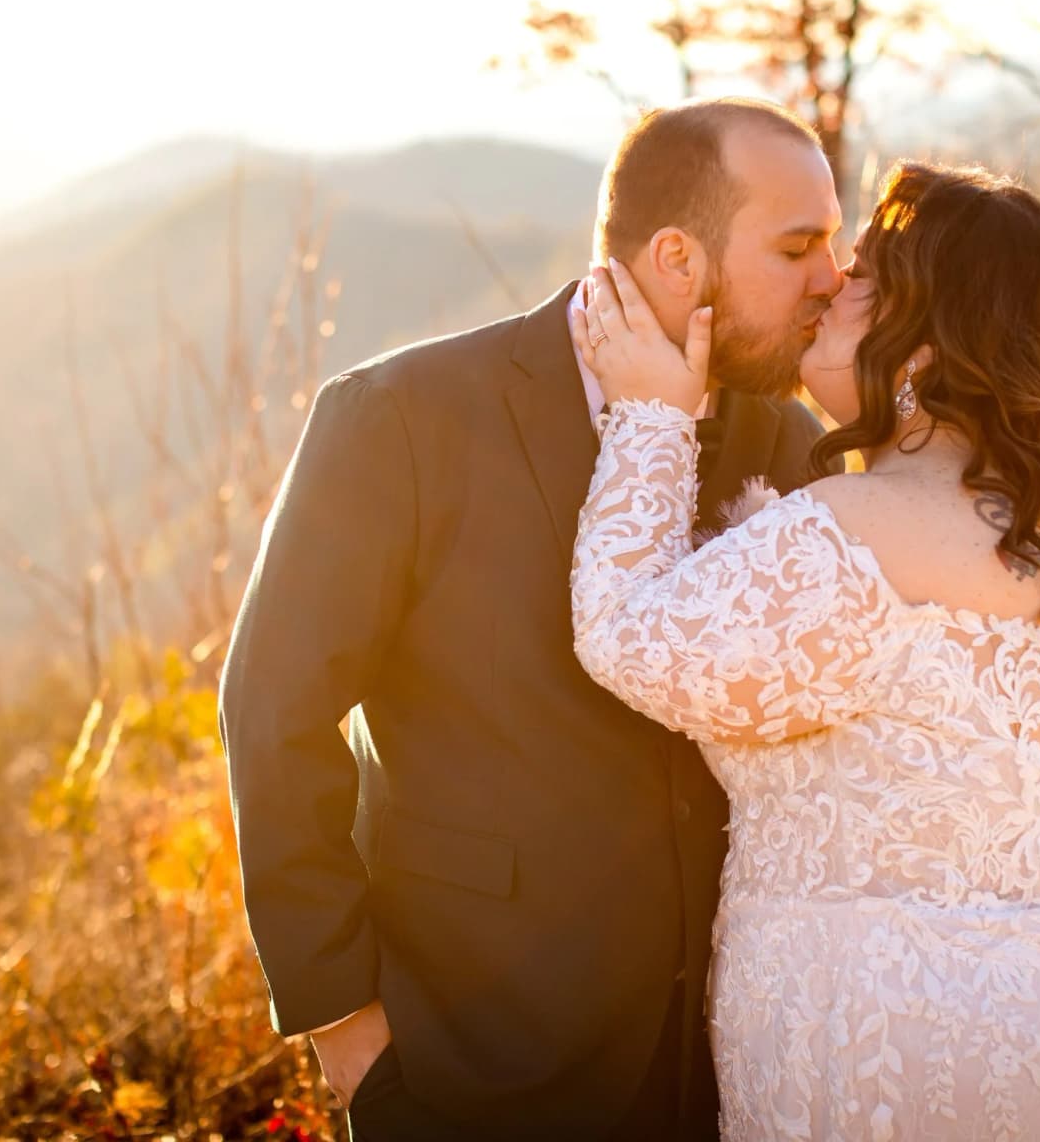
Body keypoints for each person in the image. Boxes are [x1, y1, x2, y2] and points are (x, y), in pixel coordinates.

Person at [569, 160, 1040, 1140]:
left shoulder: (853, 530)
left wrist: (651, 416)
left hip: (907, 1041)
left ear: (924, 348)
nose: (830, 285)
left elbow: (627, 632)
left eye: (866, 279)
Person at [218, 97, 843, 1139]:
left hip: (726, 1061)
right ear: (679, 258)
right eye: (799, 246)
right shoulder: (402, 420)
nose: (833, 275)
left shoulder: (781, 437)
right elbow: (270, 708)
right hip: (473, 1054)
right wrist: (345, 1028)